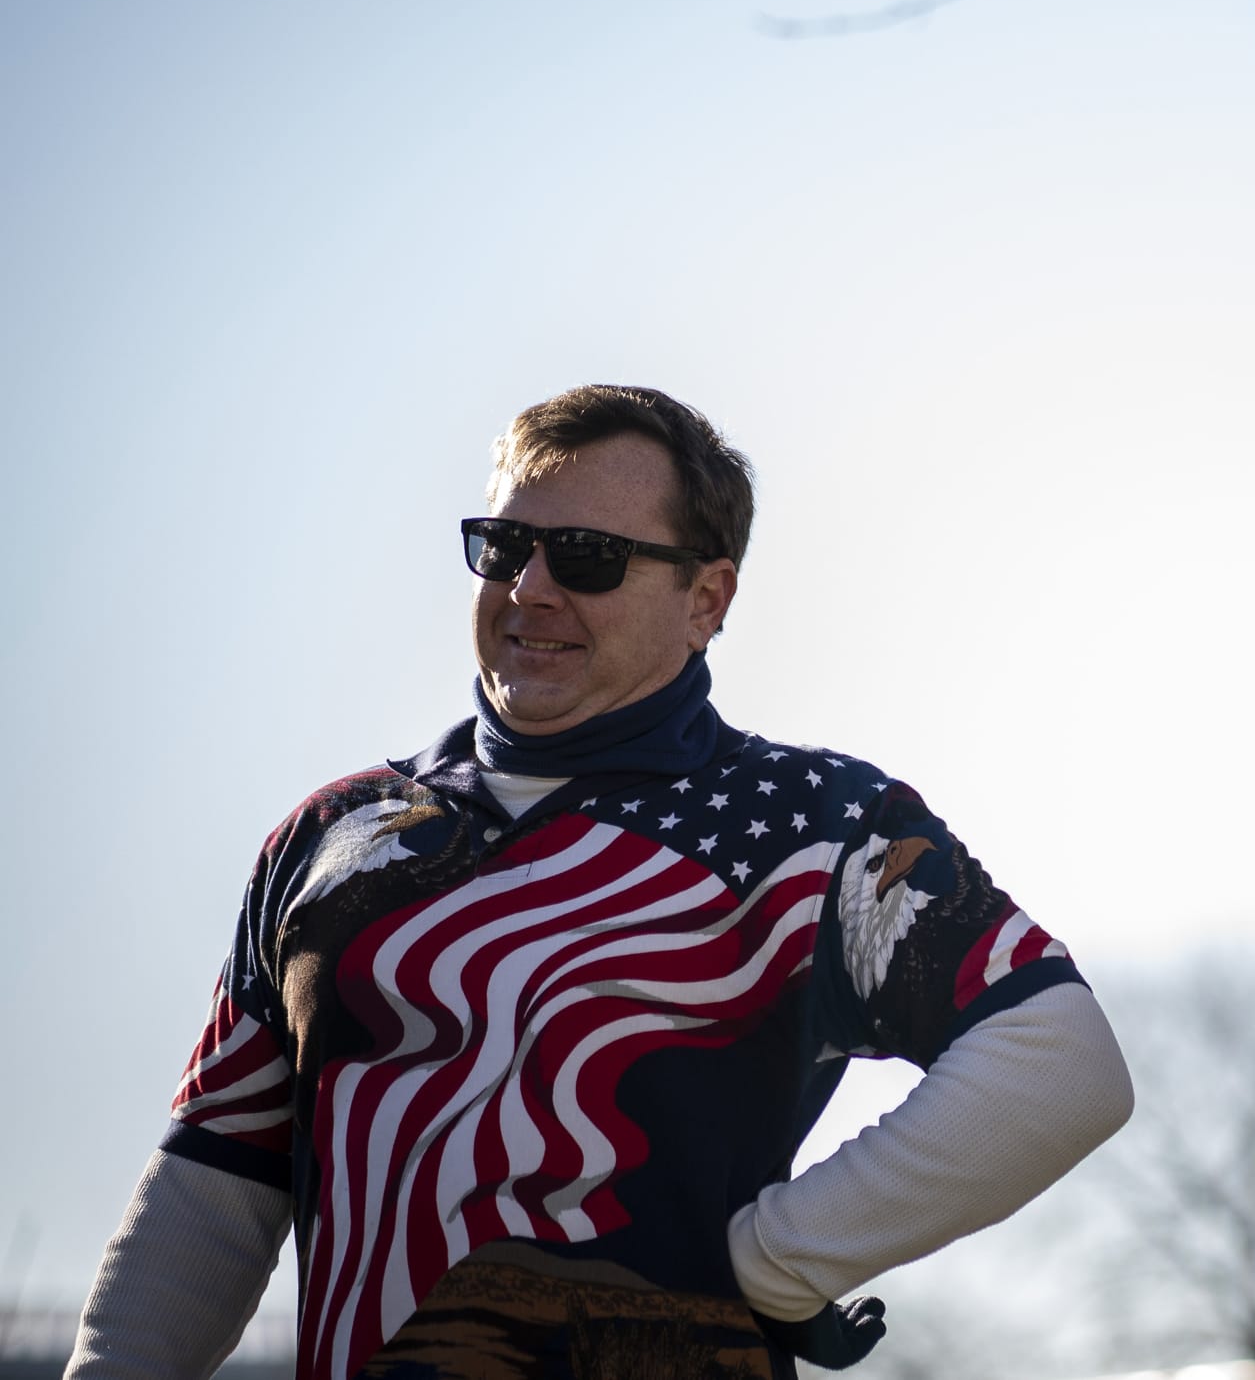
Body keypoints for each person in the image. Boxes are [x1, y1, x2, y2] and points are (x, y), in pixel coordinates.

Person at [72, 385, 1133, 1379]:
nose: (531, 588)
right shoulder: (329, 833)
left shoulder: (815, 822)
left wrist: (778, 1260)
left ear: (706, 596)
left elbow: (1059, 1059)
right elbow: (212, 1192)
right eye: (504, 547)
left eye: (586, 556)